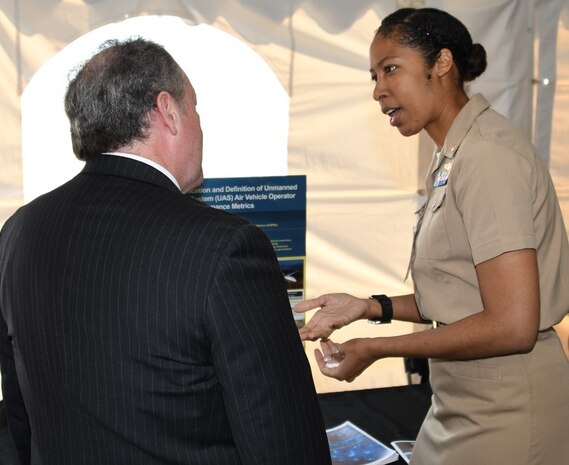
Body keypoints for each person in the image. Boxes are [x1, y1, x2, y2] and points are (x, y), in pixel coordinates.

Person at [0, 38, 331, 465]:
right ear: (168, 111)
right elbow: (283, 441)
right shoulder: (225, 246)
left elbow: (20, 417)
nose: (199, 124)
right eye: (194, 108)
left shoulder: (19, 230)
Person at [295, 7, 569, 465]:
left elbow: (512, 324)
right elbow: (463, 297)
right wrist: (370, 307)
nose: (379, 90)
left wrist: (375, 349)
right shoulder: (453, 155)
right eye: (373, 75)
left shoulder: (487, 157)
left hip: (508, 409)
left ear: (441, 64)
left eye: (391, 69)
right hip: (462, 400)